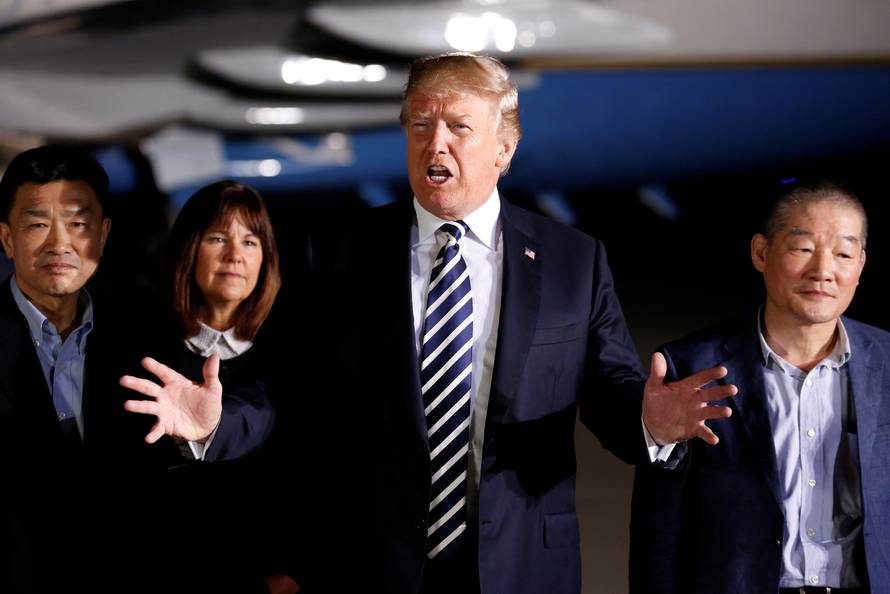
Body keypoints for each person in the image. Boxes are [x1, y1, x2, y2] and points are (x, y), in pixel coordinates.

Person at [303, 53, 737, 594]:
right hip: (371, 565)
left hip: (521, 564)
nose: (435, 144)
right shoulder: (339, 255)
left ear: (504, 149)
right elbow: (298, 407)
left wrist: (649, 421)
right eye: (420, 125)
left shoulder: (574, 261)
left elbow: (611, 387)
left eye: (459, 127)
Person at [629, 180, 889, 594]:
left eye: (843, 254)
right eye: (803, 248)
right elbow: (658, 532)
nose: (823, 271)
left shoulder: (886, 364)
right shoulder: (694, 368)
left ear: (860, 264)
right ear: (761, 253)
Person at [117, 180, 295, 594]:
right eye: (218, 238)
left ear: (266, 258)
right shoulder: (140, 346)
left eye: (250, 242)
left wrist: (295, 572)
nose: (235, 255)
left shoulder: (292, 348)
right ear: (189, 248)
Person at [0, 145, 122, 593]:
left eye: (78, 224)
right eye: (37, 224)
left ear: (102, 234)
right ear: (7, 239)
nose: (59, 244)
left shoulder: (141, 334)